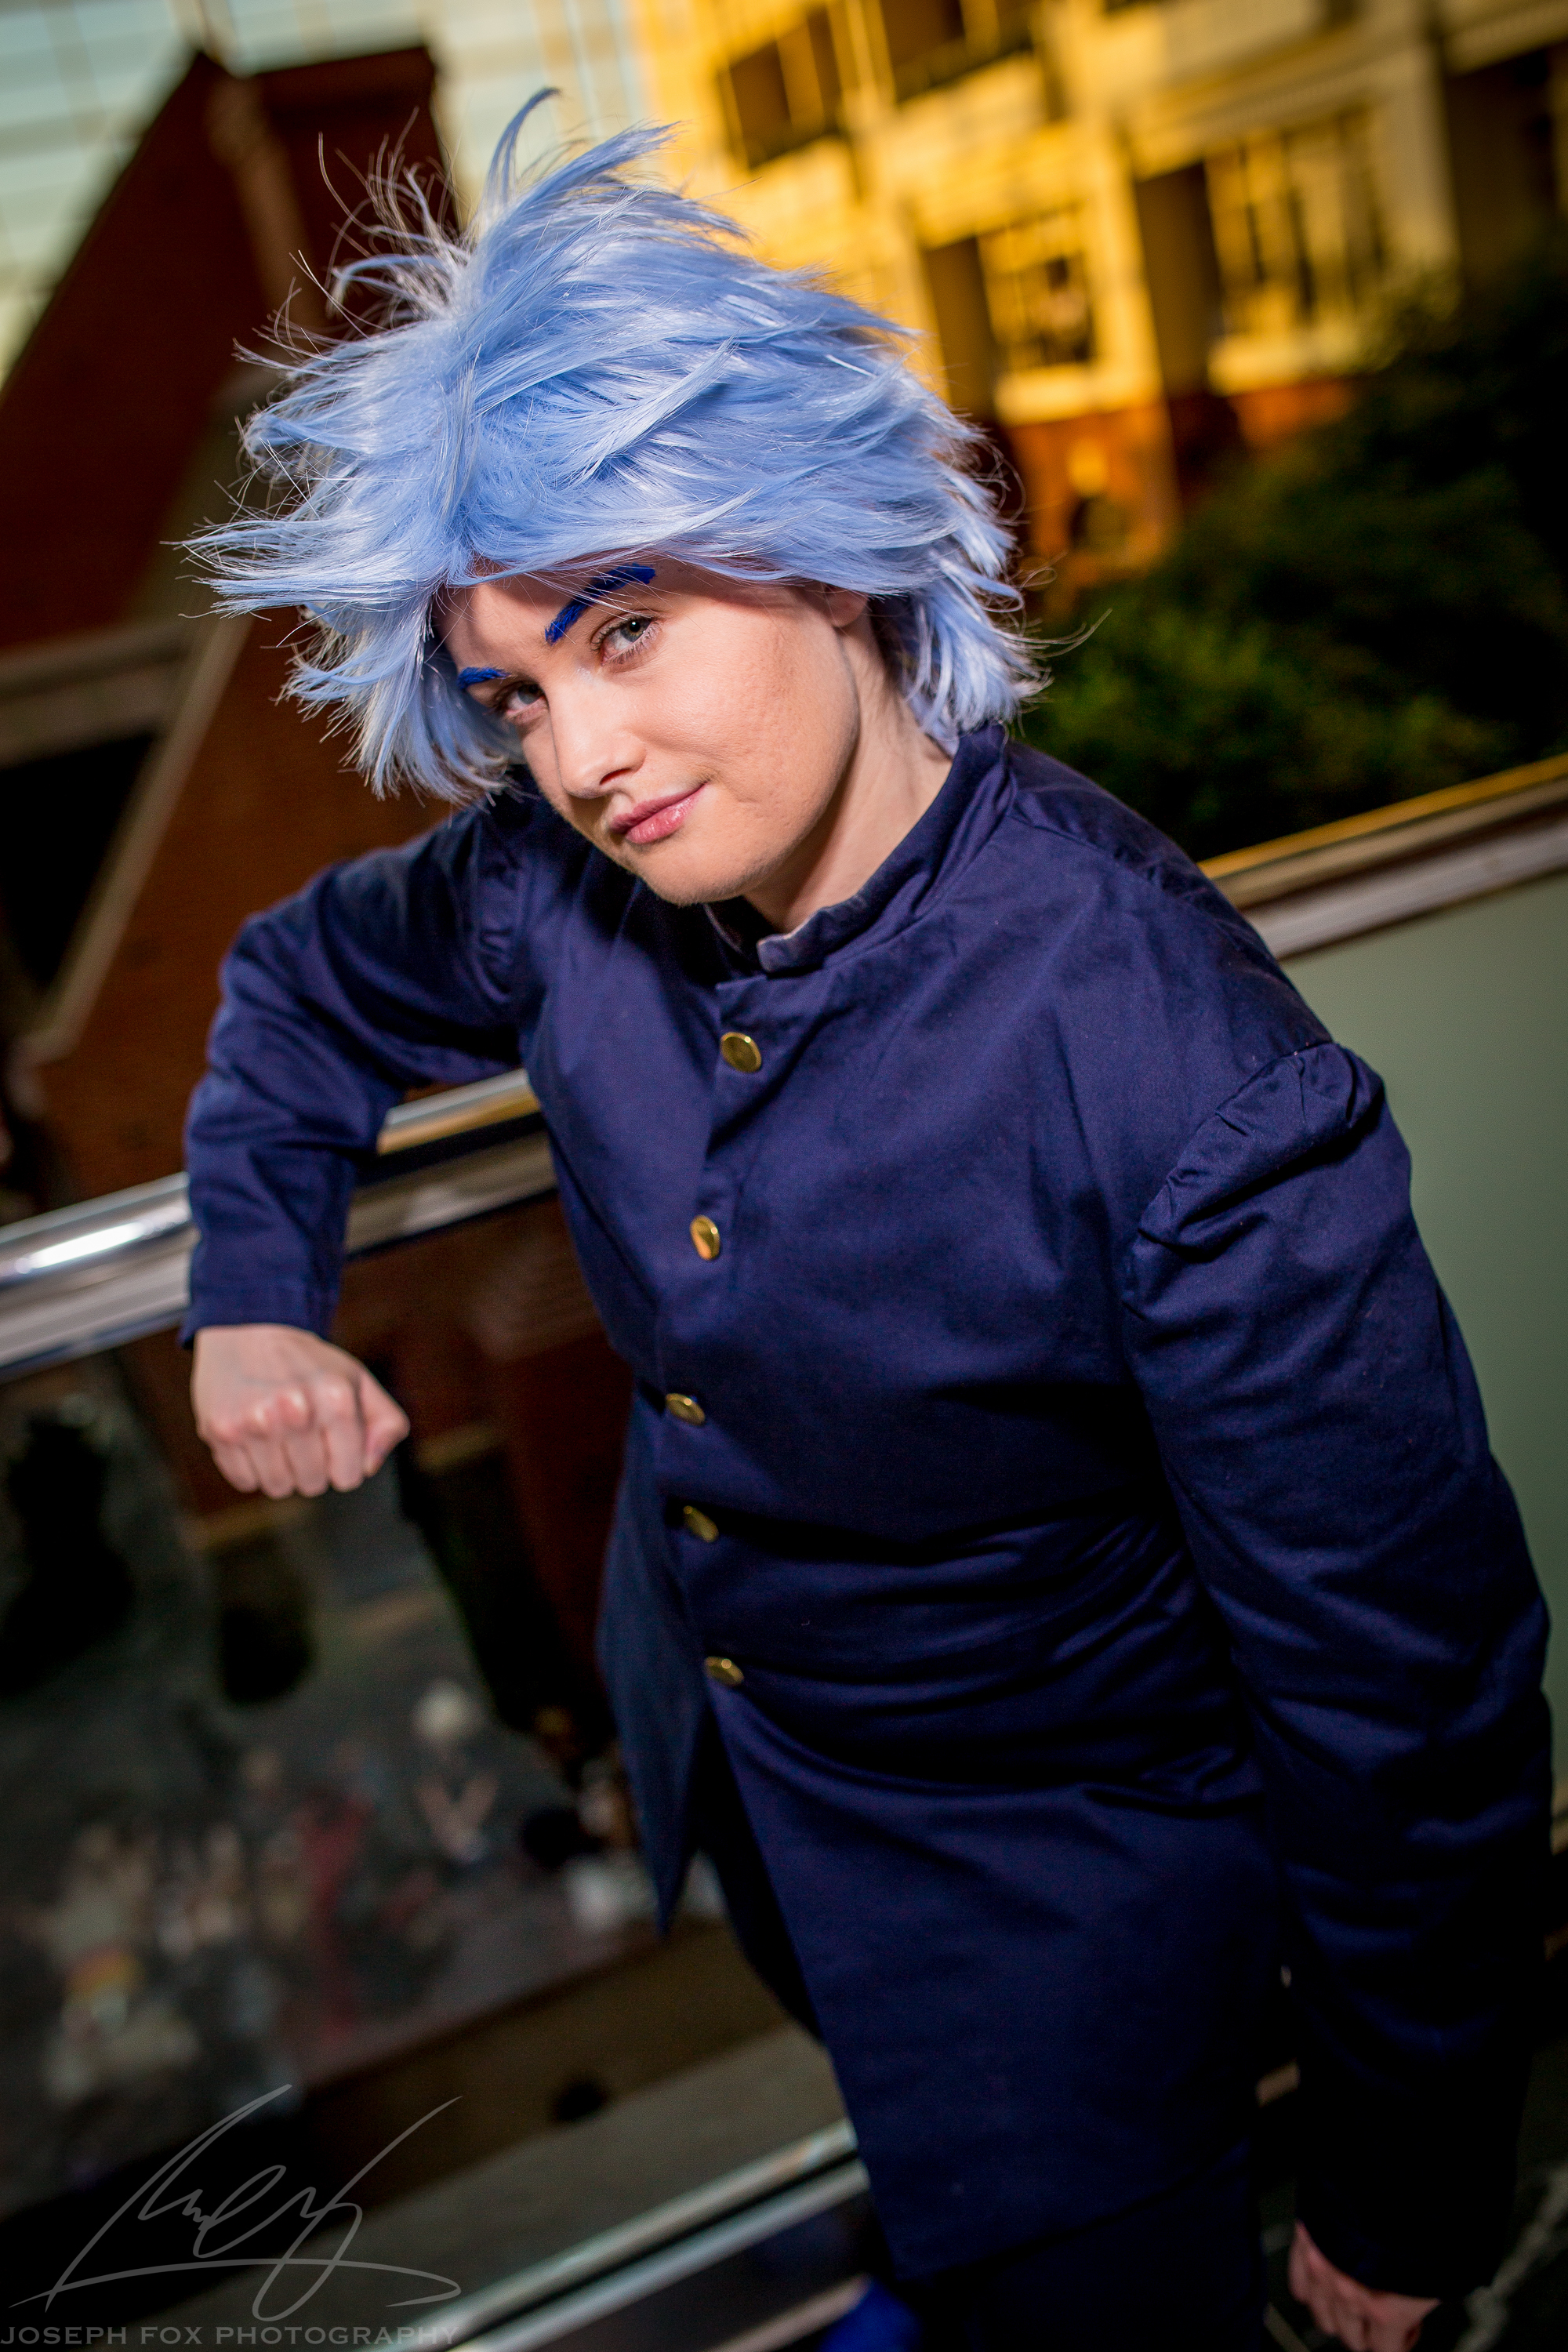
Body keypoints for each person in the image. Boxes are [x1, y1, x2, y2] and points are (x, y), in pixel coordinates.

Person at [181, 112, 1550, 2352]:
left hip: (1070, 1940)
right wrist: (253, 1294)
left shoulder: (1179, 1070)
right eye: (519, 692)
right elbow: (295, 987)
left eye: (627, 630)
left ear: (826, 551)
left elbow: (1408, 1702)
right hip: (754, 1793)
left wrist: (1407, 2189)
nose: (580, 755)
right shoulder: (557, 886)